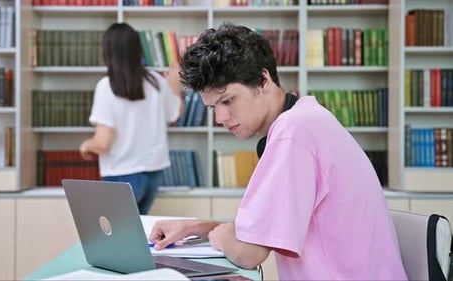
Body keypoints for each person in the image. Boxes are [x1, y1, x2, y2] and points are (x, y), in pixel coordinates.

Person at [148, 23, 408, 280]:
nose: (220, 118)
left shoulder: (292, 132)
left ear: (263, 80)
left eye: (227, 100)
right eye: (212, 107)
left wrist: (218, 236)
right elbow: (259, 232)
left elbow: (249, 253)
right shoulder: (307, 117)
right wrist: (200, 228)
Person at [80, 22, 183, 215]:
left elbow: (103, 144)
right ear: (138, 49)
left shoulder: (106, 86)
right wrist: (174, 87)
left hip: (120, 176)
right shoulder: (156, 81)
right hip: (153, 174)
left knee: (116, 239)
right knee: (137, 236)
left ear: (107, 52)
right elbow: (175, 114)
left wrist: (86, 145)